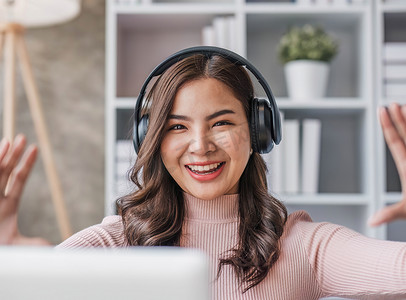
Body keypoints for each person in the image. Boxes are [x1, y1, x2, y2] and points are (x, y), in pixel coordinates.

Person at [1, 50, 406, 299]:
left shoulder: (306, 247)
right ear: (153, 139)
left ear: (258, 132)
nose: (200, 145)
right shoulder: (113, 245)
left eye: (221, 123)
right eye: (177, 127)